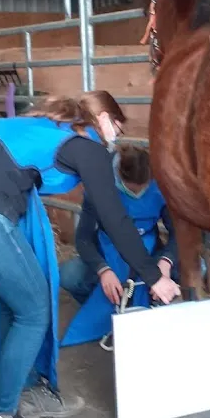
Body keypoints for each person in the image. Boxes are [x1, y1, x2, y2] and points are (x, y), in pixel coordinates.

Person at [0, 91, 180, 418]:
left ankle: (27, 390)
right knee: (33, 312)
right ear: (104, 118)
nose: (116, 137)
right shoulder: (83, 147)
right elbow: (114, 217)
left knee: (11, 302)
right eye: (117, 127)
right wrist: (156, 277)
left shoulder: (33, 127)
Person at [60, 145, 179, 351]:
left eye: (143, 188)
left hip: (149, 250)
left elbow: (179, 234)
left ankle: (154, 306)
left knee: (198, 267)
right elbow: (83, 239)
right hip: (109, 251)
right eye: (132, 189)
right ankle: (107, 310)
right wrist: (102, 270)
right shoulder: (101, 189)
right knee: (68, 275)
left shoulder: (161, 187)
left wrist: (166, 261)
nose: (138, 194)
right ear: (119, 177)